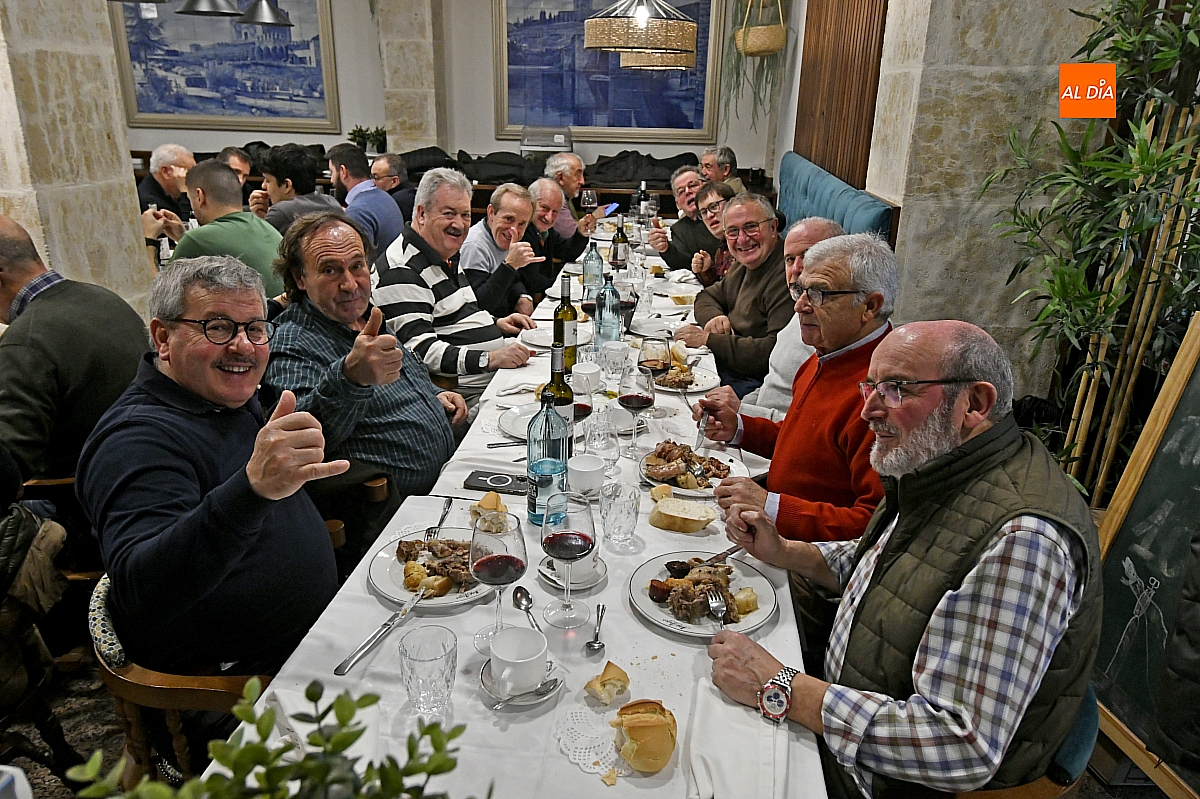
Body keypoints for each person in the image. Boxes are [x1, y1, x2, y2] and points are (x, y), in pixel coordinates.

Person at [710, 321, 1102, 799]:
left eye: (896, 389)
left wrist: (783, 687)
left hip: (880, 778)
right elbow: (892, 565)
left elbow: (959, 745)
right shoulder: (942, 464)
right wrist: (787, 552)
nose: (868, 410)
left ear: (975, 404)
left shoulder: (1024, 540)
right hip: (848, 702)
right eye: (870, 387)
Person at [76, 256, 344, 769]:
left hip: (312, 645)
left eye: (255, 328)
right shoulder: (136, 441)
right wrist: (251, 490)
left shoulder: (225, 399)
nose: (242, 346)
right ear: (163, 337)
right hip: (234, 694)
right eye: (217, 327)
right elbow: (144, 589)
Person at [264, 212, 464, 560]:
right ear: (300, 278)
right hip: (396, 522)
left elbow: (402, 378)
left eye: (357, 266)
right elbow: (299, 439)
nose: (349, 284)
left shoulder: (367, 315)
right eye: (330, 270)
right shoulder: (293, 343)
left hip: (446, 484)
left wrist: (435, 394)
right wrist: (349, 378)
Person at [698, 232, 895, 545]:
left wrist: (772, 507)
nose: (800, 306)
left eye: (819, 294)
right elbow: (805, 445)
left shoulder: (884, 398)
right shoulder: (826, 354)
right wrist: (740, 428)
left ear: (870, 306)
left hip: (801, 553)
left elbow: (873, 526)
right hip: (772, 525)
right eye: (800, 291)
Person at [0, 215, 148, 482]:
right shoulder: (105, 299)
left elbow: (11, 467)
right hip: (141, 466)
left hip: (77, 492)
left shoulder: (26, 341)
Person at [374, 168, 535, 412]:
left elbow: (461, 312)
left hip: (491, 378)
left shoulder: (444, 254)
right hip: (468, 396)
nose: (459, 224)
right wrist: (490, 358)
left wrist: (497, 323)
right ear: (421, 214)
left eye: (465, 215)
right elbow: (421, 352)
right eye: (448, 213)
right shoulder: (401, 269)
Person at [675, 194, 792, 394]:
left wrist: (708, 340)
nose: (742, 239)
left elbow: (774, 353)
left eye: (751, 227)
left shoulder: (787, 274)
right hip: (729, 368)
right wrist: (714, 317)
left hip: (753, 384)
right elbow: (706, 296)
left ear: (773, 227)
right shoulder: (745, 262)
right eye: (733, 231)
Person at [739, 217, 844, 421]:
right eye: (789, 259)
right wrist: (738, 407)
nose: (796, 268)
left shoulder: (835, 331)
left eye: (808, 256)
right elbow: (772, 382)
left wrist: (742, 413)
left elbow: (807, 428)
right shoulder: (801, 306)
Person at [169, 159, 285, 296]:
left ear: (200, 196)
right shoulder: (266, 227)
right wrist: (181, 237)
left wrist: (149, 240)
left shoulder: (196, 239)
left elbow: (157, 296)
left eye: (190, 199)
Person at [459, 183, 542, 318]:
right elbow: (479, 305)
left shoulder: (501, 237)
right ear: (491, 213)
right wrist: (509, 266)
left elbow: (513, 280)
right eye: (508, 219)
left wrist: (523, 296)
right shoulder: (474, 246)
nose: (514, 230)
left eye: (522, 224)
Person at [520, 177, 594, 296]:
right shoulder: (522, 232)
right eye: (544, 208)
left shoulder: (546, 231)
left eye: (555, 212)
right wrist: (565, 284)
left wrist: (581, 233)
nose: (549, 217)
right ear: (530, 203)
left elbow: (567, 252)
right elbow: (532, 281)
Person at [327, 143, 404, 253]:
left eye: (332, 172)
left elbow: (358, 260)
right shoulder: (386, 197)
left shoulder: (357, 212)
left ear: (343, 171)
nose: (331, 180)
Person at [249, 143, 340, 235]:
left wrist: (259, 219)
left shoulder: (281, 212)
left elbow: (258, 242)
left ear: (287, 185)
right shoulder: (332, 203)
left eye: (268, 180)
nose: (263, 186)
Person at [647, 166, 720, 272]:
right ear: (678, 204)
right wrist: (666, 249)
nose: (687, 192)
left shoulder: (722, 216)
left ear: (707, 187)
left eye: (693, 185)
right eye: (681, 192)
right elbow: (683, 263)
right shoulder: (679, 229)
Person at [545, 152, 604, 239]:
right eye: (577, 175)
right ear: (560, 178)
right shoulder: (552, 198)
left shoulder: (563, 194)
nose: (583, 181)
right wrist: (595, 216)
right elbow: (571, 232)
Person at [689, 181, 736, 287]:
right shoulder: (723, 245)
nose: (709, 215)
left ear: (731, 204)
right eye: (704, 212)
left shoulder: (742, 243)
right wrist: (706, 270)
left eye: (714, 206)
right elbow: (721, 289)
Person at [137, 143, 194, 220]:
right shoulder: (150, 203)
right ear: (166, 172)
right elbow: (185, 224)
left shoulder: (166, 193)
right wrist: (185, 192)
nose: (194, 178)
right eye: (189, 172)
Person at [370, 153, 416, 223]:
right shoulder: (409, 193)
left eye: (376, 178)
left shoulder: (395, 202)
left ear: (394, 181)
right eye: (371, 177)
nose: (372, 182)